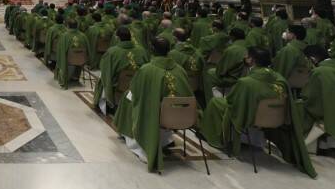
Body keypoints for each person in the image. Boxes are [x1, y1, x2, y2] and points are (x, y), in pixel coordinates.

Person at [199, 47, 316, 177]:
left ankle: (215, 138)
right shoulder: (281, 80)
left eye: (247, 56)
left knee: (216, 103)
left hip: (252, 117)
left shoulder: (246, 82)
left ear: (251, 60)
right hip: (276, 118)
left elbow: (233, 101)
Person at [113, 37, 194, 173]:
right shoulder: (180, 70)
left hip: (159, 117)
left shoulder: (146, 69)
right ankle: (165, 139)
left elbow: (135, 89)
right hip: (183, 116)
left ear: (152, 50)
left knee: (127, 99)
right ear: (169, 50)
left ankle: (137, 142)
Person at [93, 26, 149, 113]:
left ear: (118, 38)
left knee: (102, 78)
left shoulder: (112, 52)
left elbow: (105, 71)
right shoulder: (142, 51)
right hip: (137, 85)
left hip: (119, 85)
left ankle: (109, 104)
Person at [202, 27, 248, 101]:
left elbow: (221, 71)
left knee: (209, 73)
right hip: (246, 76)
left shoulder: (232, 50)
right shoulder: (250, 46)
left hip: (234, 79)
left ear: (232, 37)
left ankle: (212, 102)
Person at [54, 20, 91, 89]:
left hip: (69, 60)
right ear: (77, 26)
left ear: (68, 26)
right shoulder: (83, 36)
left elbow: (60, 51)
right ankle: (75, 76)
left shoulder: (64, 36)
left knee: (65, 56)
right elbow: (88, 49)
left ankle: (65, 78)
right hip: (82, 60)